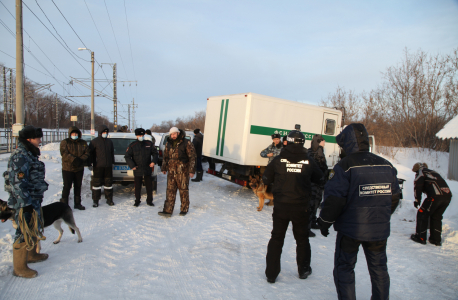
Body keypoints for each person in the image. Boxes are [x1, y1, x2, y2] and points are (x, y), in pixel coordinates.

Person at [318, 123, 400, 300]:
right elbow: (394, 197)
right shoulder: (386, 165)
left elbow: (334, 199)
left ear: (347, 143)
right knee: (379, 269)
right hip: (378, 231)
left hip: (351, 231)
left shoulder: (345, 166)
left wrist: (324, 222)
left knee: (345, 268)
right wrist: (380, 217)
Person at [262, 127, 324, 283]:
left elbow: (265, 179)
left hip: (281, 206)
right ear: (302, 143)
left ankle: (271, 274)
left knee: (277, 238)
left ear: (287, 142)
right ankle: (303, 270)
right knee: (302, 239)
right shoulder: (309, 161)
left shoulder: (278, 160)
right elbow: (321, 179)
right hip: (300, 207)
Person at [6, 125, 49, 278]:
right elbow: (18, 183)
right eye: (37, 138)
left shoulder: (30, 154)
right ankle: (19, 268)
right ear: (29, 139)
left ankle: (31, 255)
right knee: (22, 231)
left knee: (32, 226)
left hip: (33, 199)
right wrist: (26, 204)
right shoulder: (20, 156)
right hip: (24, 202)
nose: (40, 140)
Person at [410, 162, 452, 246]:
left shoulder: (421, 173)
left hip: (435, 196)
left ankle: (420, 237)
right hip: (447, 196)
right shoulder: (432, 171)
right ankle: (435, 240)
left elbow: (417, 187)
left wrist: (417, 200)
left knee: (422, 213)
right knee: (436, 216)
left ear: (416, 169)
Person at [158, 127, 196, 217]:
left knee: (183, 191)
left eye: (174, 134)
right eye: (171, 134)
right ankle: (167, 210)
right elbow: (165, 157)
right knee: (170, 191)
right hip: (171, 172)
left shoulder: (186, 143)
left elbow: (192, 157)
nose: (173, 136)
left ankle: (184, 209)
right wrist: (164, 168)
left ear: (178, 134)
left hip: (182, 171)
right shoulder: (168, 143)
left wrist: (191, 170)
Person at [124, 128, 158, 207]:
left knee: (149, 186)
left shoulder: (149, 143)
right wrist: (132, 165)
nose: (141, 136)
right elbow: (127, 156)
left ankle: (149, 201)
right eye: (139, 135)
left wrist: (153, 162)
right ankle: (137, 201)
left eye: (142, 135)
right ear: (136, 136)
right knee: (137, 187)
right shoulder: (132, 145)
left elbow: (155, 153)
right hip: (137, 169)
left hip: (147, 168)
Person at [60, 126, 91, 210]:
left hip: (79, 169)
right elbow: (64, 153)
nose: (74, 135)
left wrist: (80, 160)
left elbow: (87, 152)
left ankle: (77, 203)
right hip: (68, 169)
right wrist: (74, 159)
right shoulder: (65, 142)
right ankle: (64, 205)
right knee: (67, 186)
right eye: (73, 133)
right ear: (70, 134)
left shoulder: (83, 143)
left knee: (78, 186)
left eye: (76, 133)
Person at [89, 125, 115, 207]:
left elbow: (112, 153)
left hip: (108, 167)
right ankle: (95, 201)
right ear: (100, 133)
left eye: (106, 132)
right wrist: (90, 163)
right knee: (96, 185)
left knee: (108, 184)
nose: (105, 134)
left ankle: (109, 199)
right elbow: (90, 154)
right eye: (104, 132)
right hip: (98, 166)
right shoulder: (94, 142)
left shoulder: (109, 142)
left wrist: (112, 162)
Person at [308, 134, 328, 231]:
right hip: (314, 183)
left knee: (316, 203)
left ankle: (312, 221)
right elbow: (321, 167)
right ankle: (307, 227)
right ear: (318, 142)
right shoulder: (316, 152)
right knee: (311, 204)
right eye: (323, 141)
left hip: (317, 183)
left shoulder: (316, 151)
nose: (324, 143)